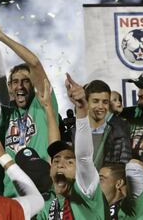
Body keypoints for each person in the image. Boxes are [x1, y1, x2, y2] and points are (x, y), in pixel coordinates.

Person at [0, 15, 58, 197]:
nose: (20, 86)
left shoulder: (43, 106)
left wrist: (0, 36)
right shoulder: (5, 116)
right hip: (12, 196)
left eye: (25, 82)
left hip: (43, 194)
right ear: (9, 87)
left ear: (33, 86)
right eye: (15, 82)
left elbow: (35, 63)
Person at [36, 73, 109, 219]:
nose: (60, 164)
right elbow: (53, 142)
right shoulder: (47, 206)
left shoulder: (87, 191)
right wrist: (48, 108)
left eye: (69, 161)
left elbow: (83, 157)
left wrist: (81, 108)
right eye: (56, 161)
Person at [71, 80, 131, 169]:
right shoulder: (75, 131)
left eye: (105, 102)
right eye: (95, 101)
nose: (101, 106)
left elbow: (122, 170)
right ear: (86, 103)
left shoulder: (119, 133)